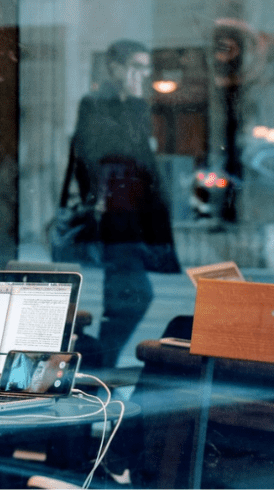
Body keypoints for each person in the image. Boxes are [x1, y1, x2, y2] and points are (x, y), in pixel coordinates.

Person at [71, 39, 180, 367]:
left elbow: (144, 159)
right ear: (114, 68)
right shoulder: (95, 104)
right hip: (113, 216)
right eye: (135, 67)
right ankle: (99, 363)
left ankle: (101, 364)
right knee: (134, 295)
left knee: (123, 298)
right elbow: (93, 154)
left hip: (136, 215)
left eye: (145, 69)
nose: (141, 75)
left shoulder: (137, 106)